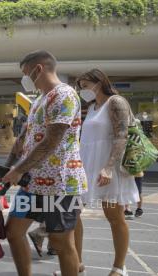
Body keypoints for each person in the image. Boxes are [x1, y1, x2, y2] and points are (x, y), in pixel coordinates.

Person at [2, 50, 87, 276]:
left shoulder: (65, 95)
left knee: (61, 243)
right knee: (13, 232)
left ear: (38, 69)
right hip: (32, 184)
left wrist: (18, 169)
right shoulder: (40, 98)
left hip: (60, 184)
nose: (25, 78)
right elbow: (23, 139)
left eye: (26, 73)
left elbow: (52, 140)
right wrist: (7, 167)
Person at [77, 68, 140, 276]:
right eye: (81, 87)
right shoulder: (92, 106)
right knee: (72, 213)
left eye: (85, 86)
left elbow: (121, 136)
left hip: (108, 167)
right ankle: (75, 265)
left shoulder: (116, 102)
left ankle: (119, 268)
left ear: (99, 82)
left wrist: (108, 167)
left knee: (114, 216)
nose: (83, 91)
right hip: (87, 166)